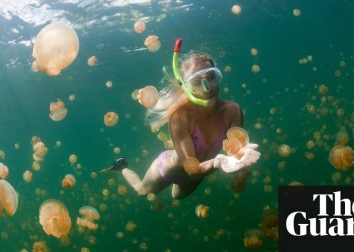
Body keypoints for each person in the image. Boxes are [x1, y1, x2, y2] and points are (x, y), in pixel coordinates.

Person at [101, 39, 260, 199]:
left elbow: (236, 150)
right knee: (141, 191)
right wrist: (217, 162)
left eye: (212, 77)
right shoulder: (180, 117)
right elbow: (193, 169)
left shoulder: (233, 111)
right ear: (186, 86)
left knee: (177, 196)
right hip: (169, 171)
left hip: (200, 172)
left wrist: (239, 155)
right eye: (197, 82)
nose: (207, 87)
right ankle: (121, 166)